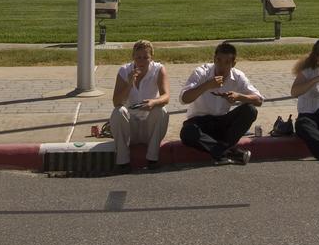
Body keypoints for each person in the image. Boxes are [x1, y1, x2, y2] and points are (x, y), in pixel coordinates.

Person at [180, 41, 263, 164]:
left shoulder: (238, 76)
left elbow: (259, 100)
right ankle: (230, 153)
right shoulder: (201, 72)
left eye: (227, 63)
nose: (221, 67)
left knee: (250, 110)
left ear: (233, 64)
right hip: (199, 123)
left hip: (222, 122)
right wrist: (207, 85)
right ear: (214, 59)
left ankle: (221, 150)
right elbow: (184, 99)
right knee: (187, 133)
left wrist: (239, 97)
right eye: (218, 60)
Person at [109, 39, 170, 171]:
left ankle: (152, 158)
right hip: (131, 127)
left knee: (162, 110)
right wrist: (129, 83)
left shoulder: (158, 69)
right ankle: (122, 161)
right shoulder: (124, 71)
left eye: (145, 57)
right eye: (138, 57)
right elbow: (116, 102)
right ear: (133, 57)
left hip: (148, 126)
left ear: (151, 57)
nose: (141, 61)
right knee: (118, 112)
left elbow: (166, 96)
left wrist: (153, 102)